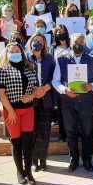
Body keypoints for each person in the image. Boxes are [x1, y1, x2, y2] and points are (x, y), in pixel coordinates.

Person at [52, 33, 93, 172]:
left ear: (84, 44)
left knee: (87, 131)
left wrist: (92, 86)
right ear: (70, 42)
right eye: (75, 42)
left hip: (86, 101)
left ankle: (87, 160)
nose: (78, 44)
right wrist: (64, 90)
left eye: (81, 42)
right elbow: (55, 81)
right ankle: (74, 159)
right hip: (68, 101)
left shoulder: (91, 59)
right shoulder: (61, 59)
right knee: (70, 131)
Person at [0, 42, 38, 185]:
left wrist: (31, 96)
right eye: (11, 51)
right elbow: (1, 92)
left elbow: (35, 87)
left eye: (17, 51)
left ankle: (28, 172)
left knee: (28, 142)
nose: (14, 53)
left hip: (28, 110)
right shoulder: (2, 69)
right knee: (16, 142)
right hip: (11, 111)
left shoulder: (30, 68)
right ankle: (20, 172)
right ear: (7, 54)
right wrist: (10, 110)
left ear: (21, 53)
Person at [27, 33, 56, 172]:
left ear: (44, 43)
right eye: (35, 40)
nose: (37, 42)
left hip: (46, 99)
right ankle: (34, 160)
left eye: (40, 40)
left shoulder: (49, 58)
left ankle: (43, 159)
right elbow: (23, 76)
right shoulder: (26, 58)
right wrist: (34, 90)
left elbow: (54, 75)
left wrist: (47, 87)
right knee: (32, 131)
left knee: (44, 131)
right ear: (30, 42)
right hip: (31, 100)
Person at [50, 25, 72, 143]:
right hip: (58, 82)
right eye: (58, 32)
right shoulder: (53, 48)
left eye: (63, 32)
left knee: (70, 109)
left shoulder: (72, 46)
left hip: (70, 81)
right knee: (60, 109)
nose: (61, 34)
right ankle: (61, 132)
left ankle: (71, 133)